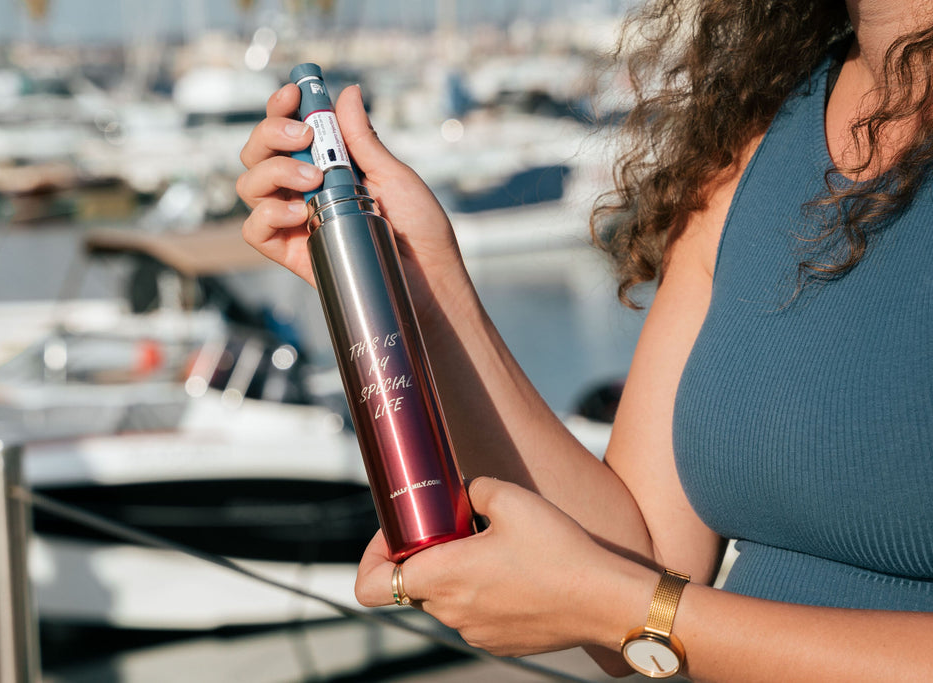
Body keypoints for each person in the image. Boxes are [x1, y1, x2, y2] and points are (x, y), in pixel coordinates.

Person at [237, 0, 932, 678]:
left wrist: (621, 609)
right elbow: (644, 562)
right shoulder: (758, 146)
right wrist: (418, 288)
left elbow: (627, 602)